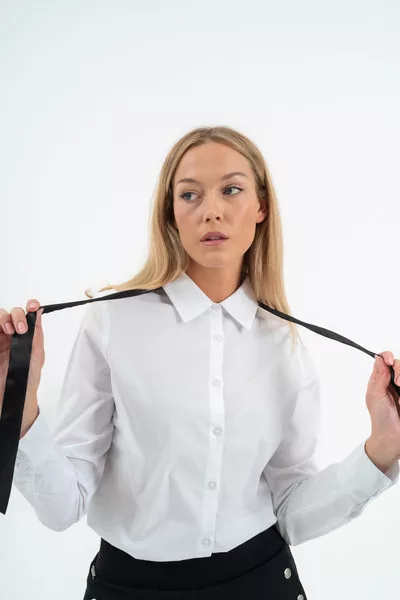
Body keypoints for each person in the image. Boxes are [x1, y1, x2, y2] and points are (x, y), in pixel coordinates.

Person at [2, 126, 399, 600]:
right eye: (190, 194)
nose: (211, 210)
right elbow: (62, 507)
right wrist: (17, 403)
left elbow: (292, 511)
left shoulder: (284, 342)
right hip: (129, 588)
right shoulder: (113, 321)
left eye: (231, 190)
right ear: (171, 214)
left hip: (262, 582)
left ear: (261, 207)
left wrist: (383, 447)